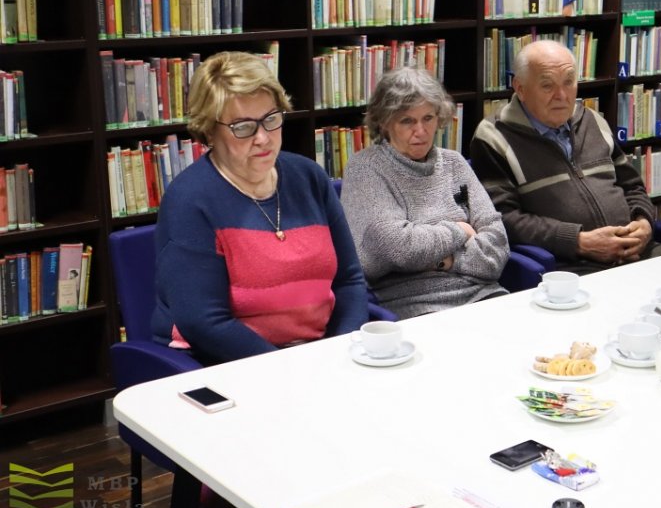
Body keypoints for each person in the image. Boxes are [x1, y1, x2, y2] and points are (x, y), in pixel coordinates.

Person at [152, 51, 368, 365]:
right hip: (228, 364)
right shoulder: (190, 200)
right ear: (210, 130)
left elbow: (349, 281)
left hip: (318, 354)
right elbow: (204, 323)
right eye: (243, 127)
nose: (263, 138)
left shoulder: (309, 177)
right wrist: (288, 368)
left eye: (271, 119)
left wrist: (339, 351)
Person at [470, 39, 661, 275]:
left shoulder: (592, 121)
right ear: (520, 88)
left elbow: (632, 185)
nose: (562, 95)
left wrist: (643, 221)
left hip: (638, 251)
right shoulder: (493, 137)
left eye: (569, 82)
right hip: (572, 266)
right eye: (547, 85)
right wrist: (579, 242)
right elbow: (504, 219)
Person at [339, 67, 509, 319]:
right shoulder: (366, 169)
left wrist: (445, 261)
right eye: (407, 121)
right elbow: (397, 247)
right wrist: (459, 230)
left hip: (486, 296)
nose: (420, 131)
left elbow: (498, 248)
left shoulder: (455, 163)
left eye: (428, 118)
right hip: (414, 307)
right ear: (385, 122)